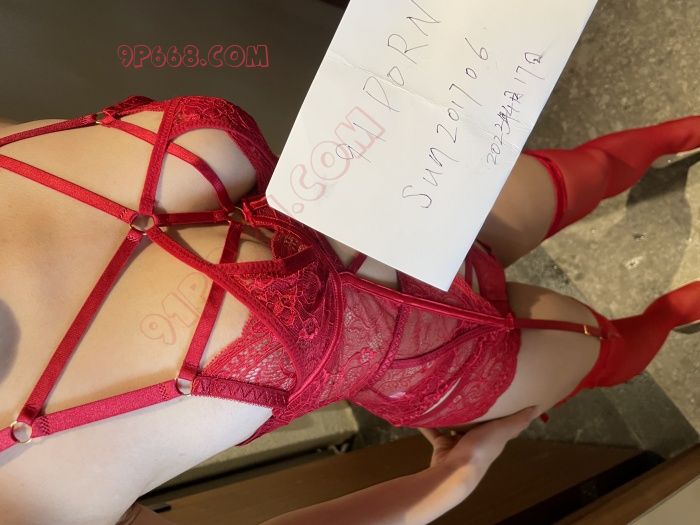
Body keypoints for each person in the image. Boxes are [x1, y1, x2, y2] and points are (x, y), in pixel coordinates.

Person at [0, 95, 697, 525]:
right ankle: (676, 310)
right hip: (439, 358)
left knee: (595, 167)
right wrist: (450, 481)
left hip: (410, 201)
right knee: (617, 348)